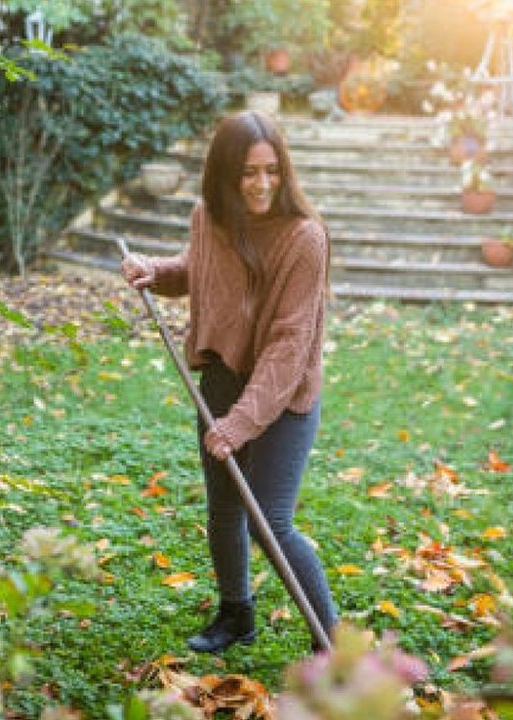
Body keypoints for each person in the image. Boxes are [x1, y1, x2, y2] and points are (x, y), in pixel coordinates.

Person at [121, 110, 337, 654]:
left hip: (282, 394)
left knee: (270, 522)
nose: (262, 184)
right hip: (221, 378)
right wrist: (155, 271)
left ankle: (333, 643)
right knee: (223, 510)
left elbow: (289, 345)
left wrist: (241, 422)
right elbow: (200, 270)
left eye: (271, 171)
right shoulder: (209, 217)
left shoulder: (304, 238)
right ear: (224, 174)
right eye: (248, 173)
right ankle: (237, 615)